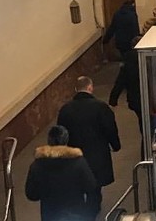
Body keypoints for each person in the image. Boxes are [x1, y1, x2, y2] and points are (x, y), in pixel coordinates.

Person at [57, 76, 121, 216]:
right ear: (90, 88)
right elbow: (110, 128)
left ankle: (80, 210)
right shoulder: (100, 107)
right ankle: (93, 210)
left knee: (77, 183)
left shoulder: (65, 109)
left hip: (74, 155)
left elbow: (60, 132)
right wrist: (116, 145)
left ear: (76, 89)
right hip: (97, 155)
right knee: (95, 186)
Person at [25, 124, 97, 221]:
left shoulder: (37, 165)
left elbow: (31, 194)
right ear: (66, 140)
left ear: (49, 141)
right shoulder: (78, 162)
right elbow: (91, 186)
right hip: (77, 213)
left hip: (50, 214)